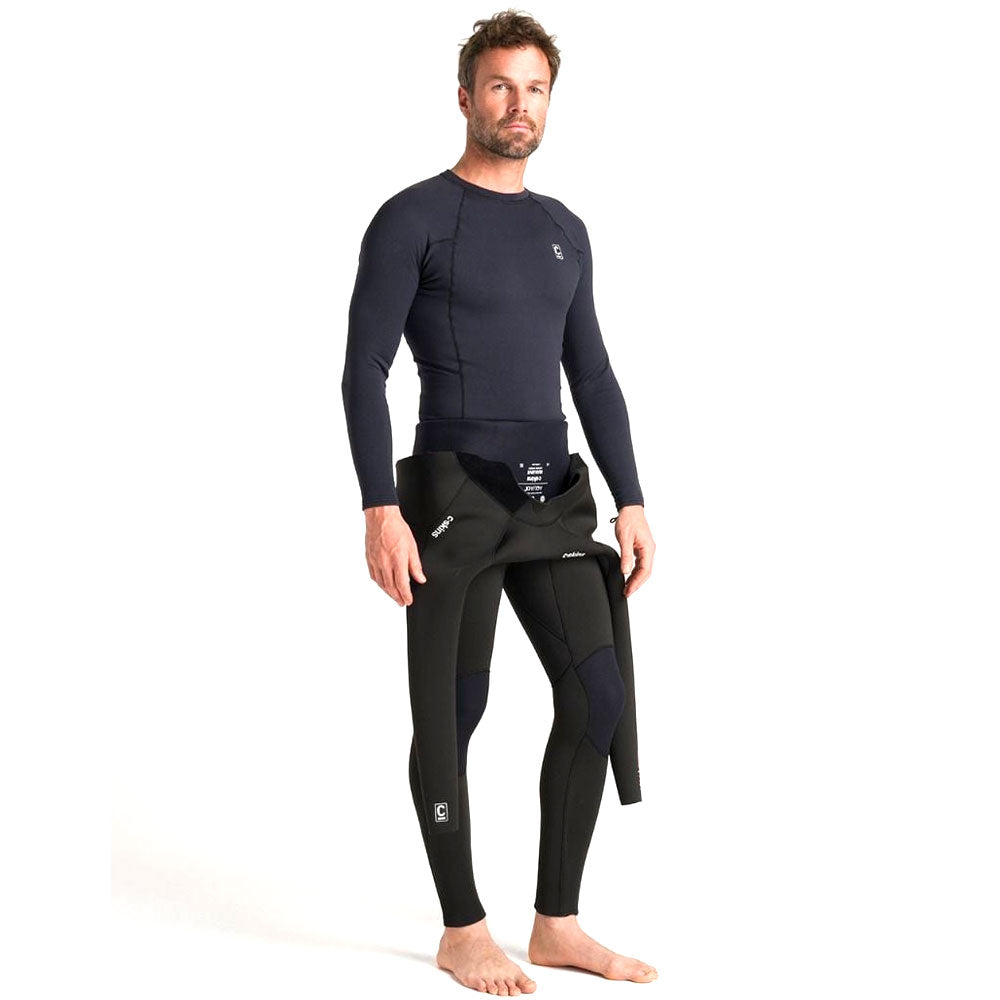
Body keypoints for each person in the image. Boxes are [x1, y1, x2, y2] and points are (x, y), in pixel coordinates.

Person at [342, 11, 658, 993]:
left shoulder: (564, 230)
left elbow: (590, 373)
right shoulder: (413, 217)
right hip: (453, 500)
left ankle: (556, 923)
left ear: (548, 102)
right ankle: (461, 927)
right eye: (499, 86)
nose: (518, 106)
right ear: (465, 97)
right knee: (454, 711)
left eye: (534, 90)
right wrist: (378, 507)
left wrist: (631, 498)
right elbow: (363, 371)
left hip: (552, 497)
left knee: (598, 694)